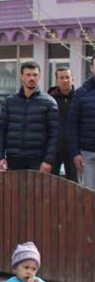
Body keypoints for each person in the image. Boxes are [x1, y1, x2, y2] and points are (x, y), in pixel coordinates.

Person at [0, 62, 58, 172]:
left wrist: (48, 160)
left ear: (39, 77)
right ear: (22, 77)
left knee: (37, 190)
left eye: (35, 75)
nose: (31, 78)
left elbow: (55, 134)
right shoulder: (10, 102)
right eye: (28, 75)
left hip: (38, 159)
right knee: (13, 189)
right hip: (13, 158)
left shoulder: (49, 102)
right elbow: (1, 130)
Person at [47, 66, 77, 181]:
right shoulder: (49, 99)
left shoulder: (78, 98)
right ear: (57, 80)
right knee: (51, 183)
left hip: (73, 149)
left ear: (72, 79)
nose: (65, 80)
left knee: (74, 184)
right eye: (61, 78)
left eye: (67, 77)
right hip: (53, 149)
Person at [70, 54, 95, 189]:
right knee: (90, 196)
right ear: (92, 67)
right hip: (87, 154)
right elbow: (73, 125)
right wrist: (75, 153)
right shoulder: (81, 93)